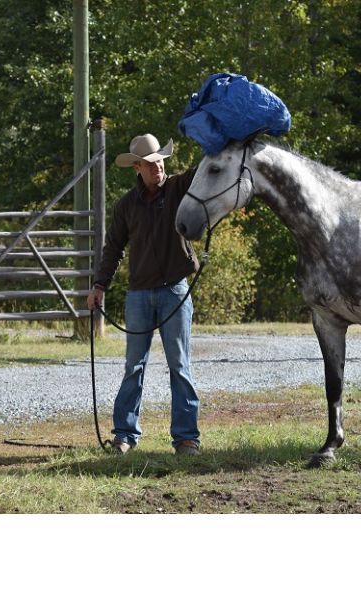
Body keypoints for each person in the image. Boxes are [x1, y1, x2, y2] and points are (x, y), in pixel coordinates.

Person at [89, 134, 201, 456]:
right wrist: (99, 286)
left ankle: (186, 439)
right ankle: (124, 436)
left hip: (175, 290)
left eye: (160, 161)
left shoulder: (180, 188)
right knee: (133, 366)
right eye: (151, 164)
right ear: (137, 167)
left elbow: (206, 168)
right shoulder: (125, 206)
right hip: (138, 295)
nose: (158, 168)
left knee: (179, 365)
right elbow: (113, 249)